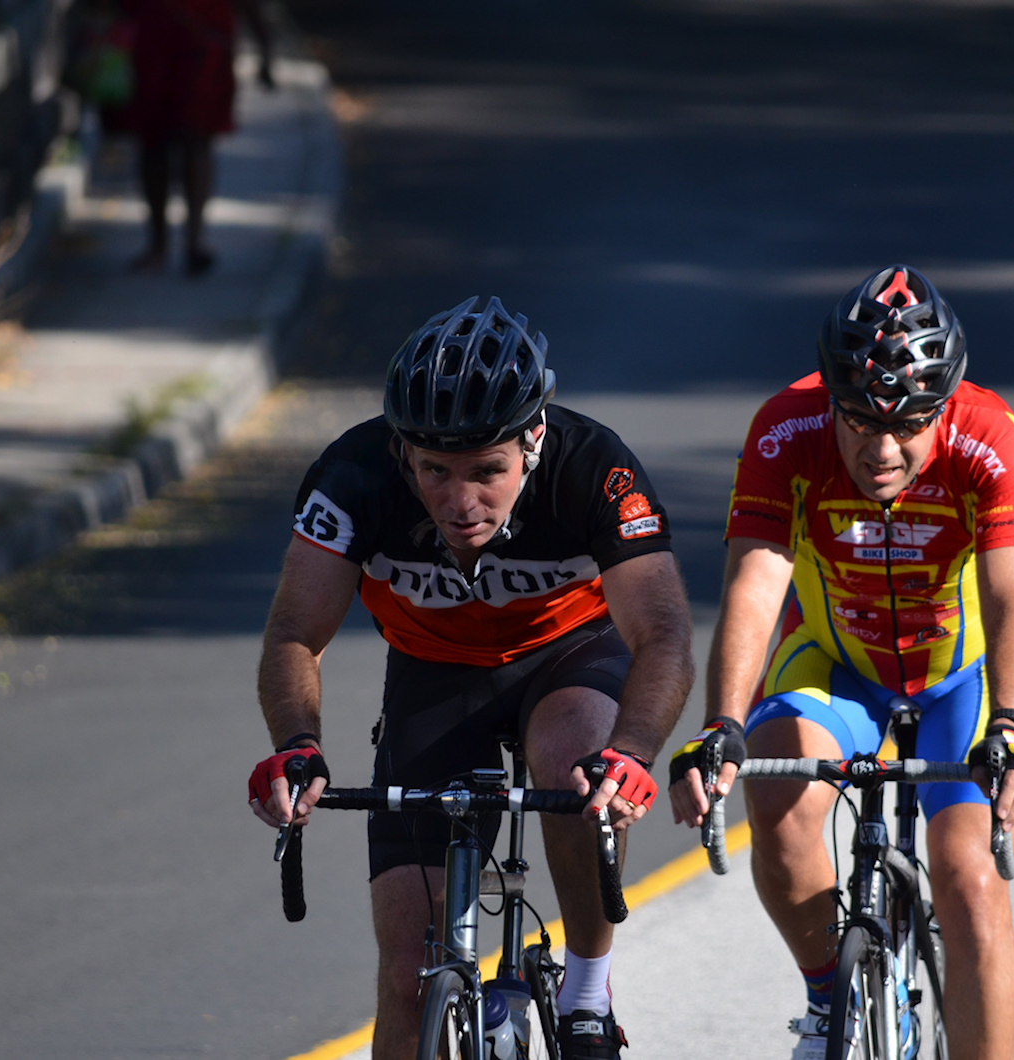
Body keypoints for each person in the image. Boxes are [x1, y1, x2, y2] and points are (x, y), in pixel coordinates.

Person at [249, 296, 693, 1060]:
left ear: (534, 442)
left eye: (488, 471)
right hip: (435, 672)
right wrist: (296, 743)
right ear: (401, 454)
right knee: (405, 978)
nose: (461, 502)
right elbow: (294, 633)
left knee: (574, 763)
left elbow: (664, 635)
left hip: (568, 657)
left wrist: (632, 753)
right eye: (435, 472)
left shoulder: (597, 468)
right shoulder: (352, 477)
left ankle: (588, 987)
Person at [669, 266, 1014, 1060]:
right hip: (838, 664)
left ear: (944, 404)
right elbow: (755, 584)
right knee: (776, 798)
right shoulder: (786, 428)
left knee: (971, 886)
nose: (880, 450)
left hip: (959, 681)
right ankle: (824, 1002)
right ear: (830, 402)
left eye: (908, 425)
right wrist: (722, 726)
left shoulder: (992, 436)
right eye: (857, 421)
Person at [124, 0, 272, 275]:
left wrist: (265, 48)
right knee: (155, 142)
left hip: (203, 44)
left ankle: (192, 241)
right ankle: (160, 243)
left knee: (196, 139)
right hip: (156, 40)